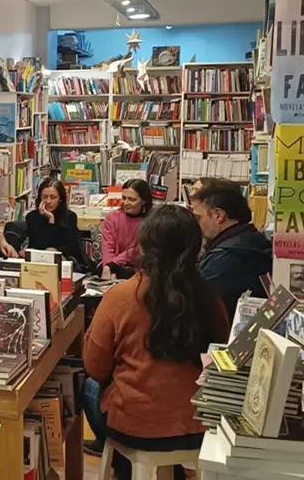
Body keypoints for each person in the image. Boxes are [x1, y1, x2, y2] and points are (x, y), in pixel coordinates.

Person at [82, 205, 229, 479]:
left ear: (145, 245)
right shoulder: (211, 299)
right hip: (199, 424)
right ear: (195, 247)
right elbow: (218, 355)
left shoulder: (122, 296)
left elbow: (95, 366)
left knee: (88, 386)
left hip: (137, 426)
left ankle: (126, 469)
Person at [190, 178, 272, 319]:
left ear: (218, 215)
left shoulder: (225, 259)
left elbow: (198, 307)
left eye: (199, 218)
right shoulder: (253, 240)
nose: (197, 225)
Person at [25, 178, 90, 271]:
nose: (48, 201)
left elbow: (69, 247)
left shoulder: (70, 217)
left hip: (65, 262)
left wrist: (51, 220)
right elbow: (38, 245)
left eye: (53, 197)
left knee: (51, 252)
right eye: (45, 197)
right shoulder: (32, 217)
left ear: (60, 199)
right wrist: (50, 220)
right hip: (39, 261)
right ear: (40, 198)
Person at [100, 178, 151, 279]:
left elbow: (138, 250)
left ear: (144, 201)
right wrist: (108, 267)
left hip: (139, 269)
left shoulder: (150, 220)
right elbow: (107, 247)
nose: (126, 203)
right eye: (124, 198)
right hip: (111, 266)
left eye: (132, 199)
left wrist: (113, 265)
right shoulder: (112, 217)